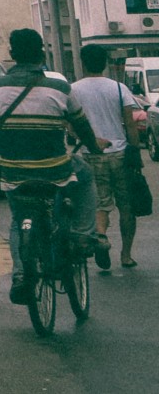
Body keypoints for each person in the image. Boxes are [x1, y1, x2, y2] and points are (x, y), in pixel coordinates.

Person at [0, 28, 101, 303]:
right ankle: (84, 235)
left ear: (12, 54)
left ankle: (19, 276)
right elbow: (81, 125)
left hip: (14, 170)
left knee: (18, 220)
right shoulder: (60, 87)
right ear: (41, 53)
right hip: (55, 170)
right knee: (85, 176)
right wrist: (95, 146)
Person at [70, 44, 142, 270]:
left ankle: (101, 237)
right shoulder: (119, 89)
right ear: (105, 64)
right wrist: (135, 152)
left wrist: (84, 139)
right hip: (120, 154)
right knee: (126, 205)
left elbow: (70, 126)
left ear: (83, 63)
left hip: (91, 154)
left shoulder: (73, 90)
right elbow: (130, 124)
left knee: (101, 203)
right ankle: (126, 255)